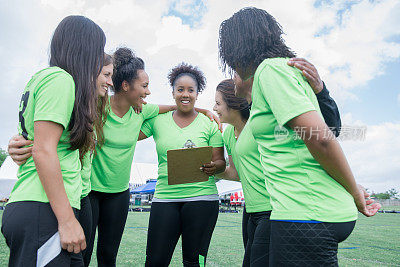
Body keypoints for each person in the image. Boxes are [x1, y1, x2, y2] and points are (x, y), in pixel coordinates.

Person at [218, 7, 380, 266]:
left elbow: (322, 138)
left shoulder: (271, 71)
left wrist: (354, 191)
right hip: (303, 211)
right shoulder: (275, 76)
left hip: (307, 212)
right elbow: (310, 137)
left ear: (237, 48)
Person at [214, 58, 343, 266]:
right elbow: (240, 173)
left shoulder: (265, 123)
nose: (214, 108)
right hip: (251, 210)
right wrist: (211, 170)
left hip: (275, 207)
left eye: (218, 103)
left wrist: (321, 92)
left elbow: (328, 132)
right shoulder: (230, 134)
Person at [1, 15, 106, 266]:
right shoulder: (60, 79)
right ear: (85, 49)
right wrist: (67, 220)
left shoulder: (46, 79)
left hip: (48, 208)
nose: (100, 58)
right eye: (99, 50)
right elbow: (44, 151)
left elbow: (36, 142)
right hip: (43, 208)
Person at [141, 63, 226, 267]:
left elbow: (221, 162)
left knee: (193, 262)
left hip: (202, 199)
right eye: (180, 90)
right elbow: (130, 132)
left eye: (190, 90)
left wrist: (215, 167)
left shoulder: (210, 123)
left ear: (197, 93)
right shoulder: (157, 121)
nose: (185, 94)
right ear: (173, 93)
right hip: (165, 198)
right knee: (154, 262)